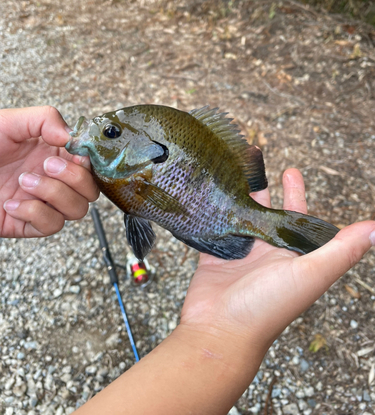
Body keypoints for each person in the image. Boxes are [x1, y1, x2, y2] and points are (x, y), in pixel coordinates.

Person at [1, 105, 374, 415]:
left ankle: (284, 230)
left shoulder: (136, 176)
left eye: (112, 133)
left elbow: (158, 202)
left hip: (224, 216)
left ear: (151, 151)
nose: (101, 133)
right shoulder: (127, 172)